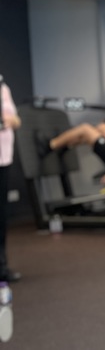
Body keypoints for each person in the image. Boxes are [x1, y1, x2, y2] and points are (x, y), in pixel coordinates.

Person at [0, 77, 21, 282]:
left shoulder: (3, 87)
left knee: (1, 216)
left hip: (4, 158)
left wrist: (7, 121)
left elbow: (16, 121)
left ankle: (1, 267)